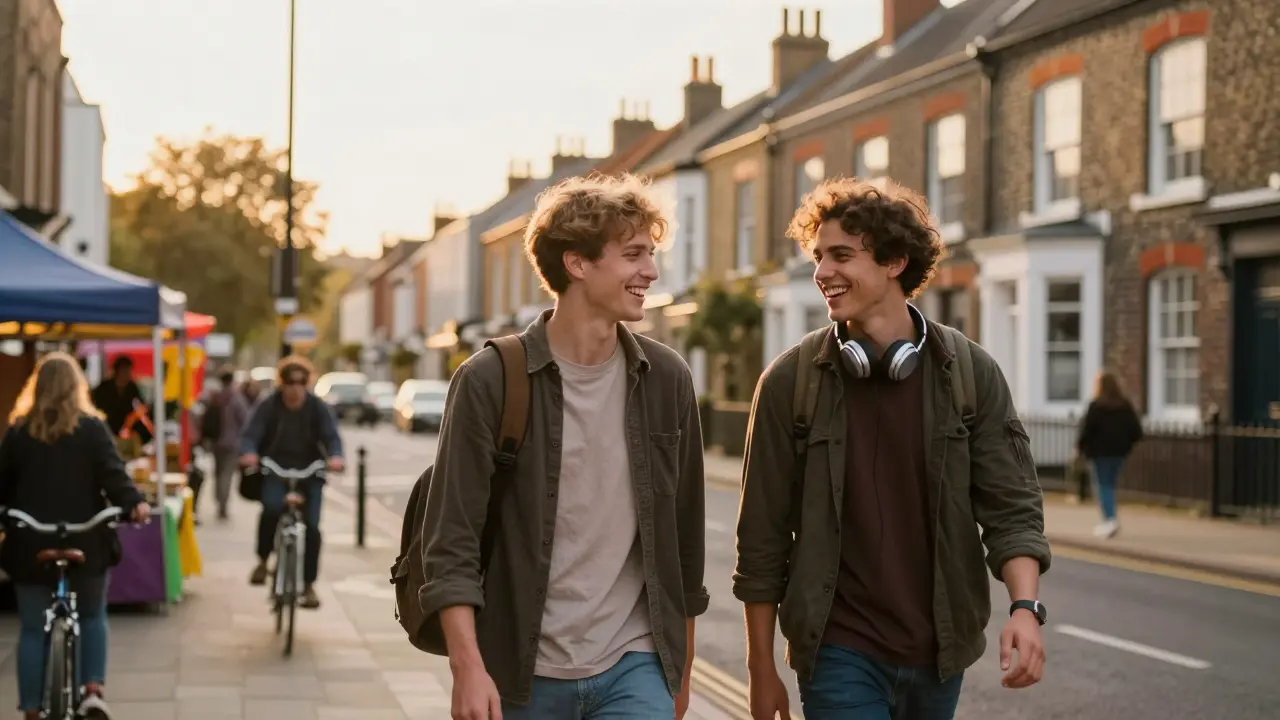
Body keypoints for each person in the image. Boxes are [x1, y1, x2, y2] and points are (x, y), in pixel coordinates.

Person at [733, 178, 1052, 720]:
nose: (821, 273)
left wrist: (1025, 608)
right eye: (818, 257)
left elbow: (1012, 508)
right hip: (838, 649)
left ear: (895, 262)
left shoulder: (970, 373)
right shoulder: (791, 382)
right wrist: (761, 669)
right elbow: (760, 542)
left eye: (840, 256)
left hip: (939, 651)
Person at [419, 173, 708, 719]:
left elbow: (684, 542)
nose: (650, 270)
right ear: (577, 264)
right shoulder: (489, 380)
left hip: (635, 661)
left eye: (651, 253)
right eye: (633, 255)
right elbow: (451, 542)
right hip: (521, 670)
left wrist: (681, 672)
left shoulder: (667, 377)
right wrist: (467, 667)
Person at [0, 352, 151, 720]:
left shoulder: (19, 432)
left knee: (34, 628)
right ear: (76, 387)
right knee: (92, 614)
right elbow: (114, 475)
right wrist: (134, 504)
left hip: (31, 541)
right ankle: (92, 691)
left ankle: (32, 710)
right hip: (85, 539)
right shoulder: (92, 428)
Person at [238, 355, 344, 610]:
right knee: (272, 509)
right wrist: (249, 452)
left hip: (311, 472)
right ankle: (263, 561)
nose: (295, 388)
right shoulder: (269, 405)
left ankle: (308, 585)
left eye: (301, 383)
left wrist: (336, 457)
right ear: (281, 384)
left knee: (313, 527)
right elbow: (251, 433)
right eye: (290, 382)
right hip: (276, 469)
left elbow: (332, 437)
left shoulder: (317, 407)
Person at [1075, 370, 1144, 539]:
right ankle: (1109, 519)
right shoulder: (1125, 405)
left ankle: (1110, 520)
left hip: (1099, 453)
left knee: (1102, 486)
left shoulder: (1096, 406)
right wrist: (1126, 446)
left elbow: (1087, 430)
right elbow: (1136, 431)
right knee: (1110, 485)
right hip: (1119, 453)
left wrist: (1080, 448)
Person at [199, 366, 250, 520]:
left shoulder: (214, 397)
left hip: (216, 442)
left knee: (218, 473)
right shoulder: (236, 398)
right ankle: (223, 504)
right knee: (226, 475)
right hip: (232, 443)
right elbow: (245, 421)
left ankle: (219, 501)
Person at [90, 355, 151, 444]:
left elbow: (140, 407)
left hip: (127, 431)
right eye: (125, 370)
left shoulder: (132, 388)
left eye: (129, 370)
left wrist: (130, 422)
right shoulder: (104, 388)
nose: (128, 373)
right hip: (106, 429)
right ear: (118, 371)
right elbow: (96, 409)